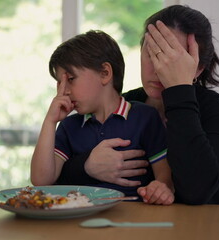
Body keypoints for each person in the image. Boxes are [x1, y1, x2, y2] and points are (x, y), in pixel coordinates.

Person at [57, 5, 219, 205]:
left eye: (172, 59)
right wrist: (86, 166)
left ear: (197, 68)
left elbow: (196, 192)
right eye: (151, 53)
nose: (158, 68)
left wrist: (179, 89)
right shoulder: (124, 106)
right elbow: (53, 181)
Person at [30, 30, 174, 205]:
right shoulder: (69, 126)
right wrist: (50, 121)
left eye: (71, 79)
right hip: (79, 221)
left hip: (133, 220)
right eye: (59, 83)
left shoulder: (144, 117)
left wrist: (160, 188)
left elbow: (165, 177)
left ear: (105, 73)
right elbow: (41, 180)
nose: (64, 91)